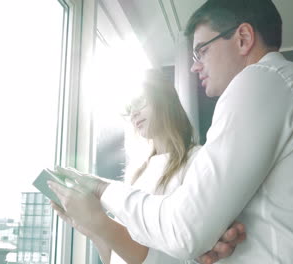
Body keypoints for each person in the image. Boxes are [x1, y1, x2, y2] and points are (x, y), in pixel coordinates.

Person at [50, 0, 293, 263]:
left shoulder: (263, 80)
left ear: (243, 38)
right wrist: (207, 241)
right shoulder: (282, 90)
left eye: (201, 51)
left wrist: (100, 188)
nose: (195, 65)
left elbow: (183, 230)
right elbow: (194, 234)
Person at [50, 69, 246, 264]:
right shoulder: (137, 174)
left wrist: (99, 222)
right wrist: (91, 229)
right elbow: (115, 258)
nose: (134, 113)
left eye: (140, 102)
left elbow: (177, 256)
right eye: (129, 108)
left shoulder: (198, 160)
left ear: (165, 99)